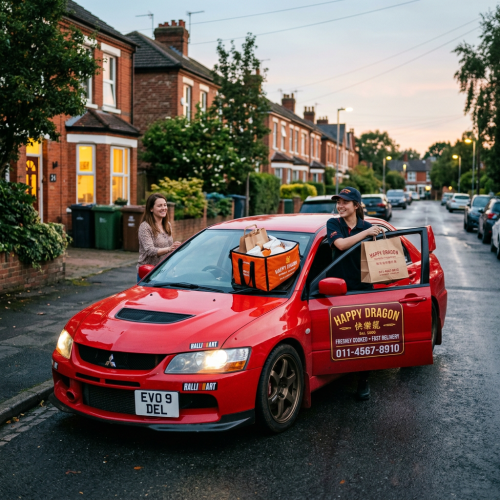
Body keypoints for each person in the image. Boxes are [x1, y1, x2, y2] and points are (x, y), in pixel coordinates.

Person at [327, 187, 383, 401]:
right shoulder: (334, 224)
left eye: (345, 202)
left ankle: (363, 381)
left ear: (356, 206)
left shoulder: (368, 227)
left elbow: (381, 257)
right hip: (337, 289)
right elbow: (340, 245)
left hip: (363, 289)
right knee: (341, 337)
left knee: (364, 338)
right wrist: (366, 233)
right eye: (338, 201)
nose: (340, 206)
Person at [137, 194, 181, 282]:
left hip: (165, 272)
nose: (164, 208)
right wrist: (169, 249)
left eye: (165, 205)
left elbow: (168, 247)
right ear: (151, 209)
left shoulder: (167, 224)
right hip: (148, 273)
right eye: (159, 206)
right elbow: (150, 250)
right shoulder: (145, 227)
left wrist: (174, 247)